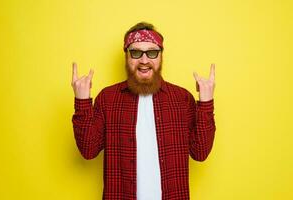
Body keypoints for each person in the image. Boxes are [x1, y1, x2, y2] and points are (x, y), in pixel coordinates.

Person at [71, 22, 216, 200]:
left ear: (161, 56)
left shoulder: (182, 99)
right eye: (136, 52)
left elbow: (200, 153)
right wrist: (82, 101)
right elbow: (88, 150)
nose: (144, 61)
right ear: (127, 56)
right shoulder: (108, 99)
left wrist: (206, 103)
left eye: (152, 52)